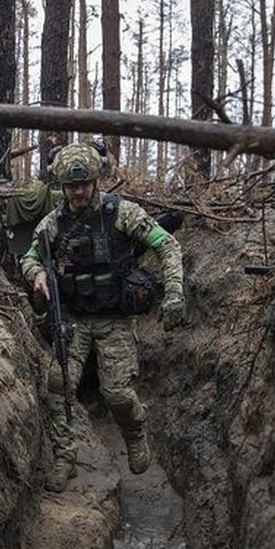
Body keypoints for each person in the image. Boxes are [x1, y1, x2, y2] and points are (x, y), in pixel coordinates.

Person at [20, 142, 186, 492]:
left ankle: (135, 433)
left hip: (115, 319)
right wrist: (36, 273)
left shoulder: (121, 213)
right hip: (74, 318)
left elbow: (166, 245)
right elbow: (30, 257)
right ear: (61, 186)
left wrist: (174, 294)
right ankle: (65, 456)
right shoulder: (53, 224)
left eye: (83, 184)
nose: (78, 192)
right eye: (70, 186)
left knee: (118, 394)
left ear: (96, 181)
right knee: (58, 384)